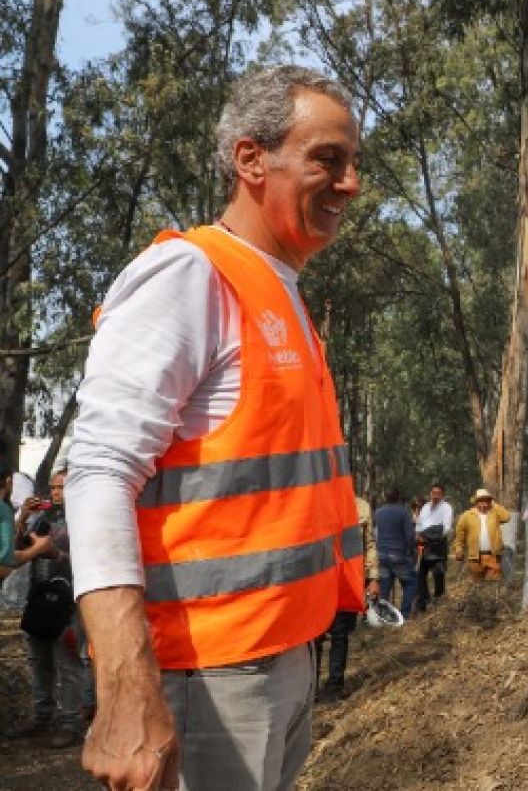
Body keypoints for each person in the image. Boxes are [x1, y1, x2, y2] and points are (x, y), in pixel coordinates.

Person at [65, 65, 365, 791]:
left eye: (355, 163)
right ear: (250, 159)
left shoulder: (279, 289)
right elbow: (99, 471)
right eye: (328, 159)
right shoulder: (190, 275)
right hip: (206, 674)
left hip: (279, 658)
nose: (351, 182)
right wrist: (127, 687)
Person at [6, 470, 85, 749]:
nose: (55, 493)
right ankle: (42, 717)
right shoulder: (44, 519)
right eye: (52, 488)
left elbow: (93, 559)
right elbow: (13, 548)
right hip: (38, 597)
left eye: (60, 487)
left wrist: (57, 555)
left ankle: (71, 722)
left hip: (68, 600)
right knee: (39, 660)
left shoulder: (83, 519)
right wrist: (24, 516)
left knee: (67, 662)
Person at [315, 496, 379, 703]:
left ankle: (334, 687)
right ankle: (309, 689)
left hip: (347, 580)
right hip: (318, 580)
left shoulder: (361, 507)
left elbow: (369, 544)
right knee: (314, 637)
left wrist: (373, 578)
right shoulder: (313, 500)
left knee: (340, 634)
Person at [375, 487, 418, 617]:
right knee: (411, 583)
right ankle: (403, 615)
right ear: (398, 498)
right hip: (398, 554)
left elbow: (376, 532)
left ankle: (382, 616)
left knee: (384, 586)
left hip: (382, 554)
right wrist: (411, 550)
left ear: (385, 497)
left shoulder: (378, 512)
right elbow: (410, 536)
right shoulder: (403, 512)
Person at [452, 489, 511, 580]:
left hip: (493, 555)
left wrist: (494, 504)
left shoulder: (494, 513)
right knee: (477, 584)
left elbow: (507, 517)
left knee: (493, 583)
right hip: (475, 556)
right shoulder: (467, 515)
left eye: (486, 501)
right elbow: (460, 534)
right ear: (476, 502)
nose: (483, 504)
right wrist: (458, 548)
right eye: (480, 501)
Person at [413, 482, 453, 611]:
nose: (435, 496)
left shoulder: (447, 508)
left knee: (438, 575)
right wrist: (419, 534)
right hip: (424, 547)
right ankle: (423, 602)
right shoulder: (425, 508)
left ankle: (439, 602)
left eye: (438, 493)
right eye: (433, 493)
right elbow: (419, 524)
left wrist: (430, 534)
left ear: (442, 495)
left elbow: (446, 529)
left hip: (438, 547)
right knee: (419, 576)